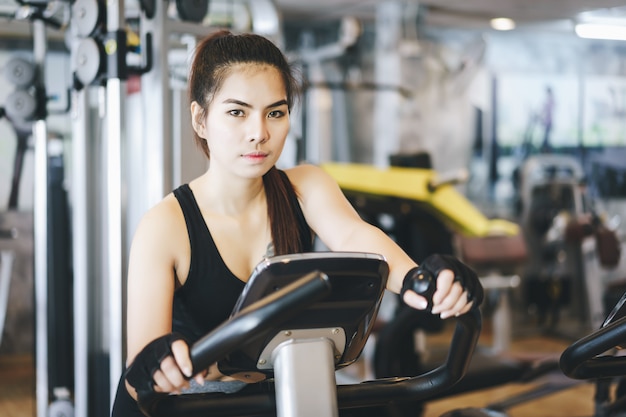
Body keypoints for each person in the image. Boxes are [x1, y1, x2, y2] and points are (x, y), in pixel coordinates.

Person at [111, 30, 483, 416]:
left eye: (276, 112)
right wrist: (160, 363)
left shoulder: (305, 186)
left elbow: (356, 234)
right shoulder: (165, 225)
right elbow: (143, 370)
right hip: (190, 408)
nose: (259, 133)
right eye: (237, 112)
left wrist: (421, 283)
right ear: (201, 119)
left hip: (279, 397)